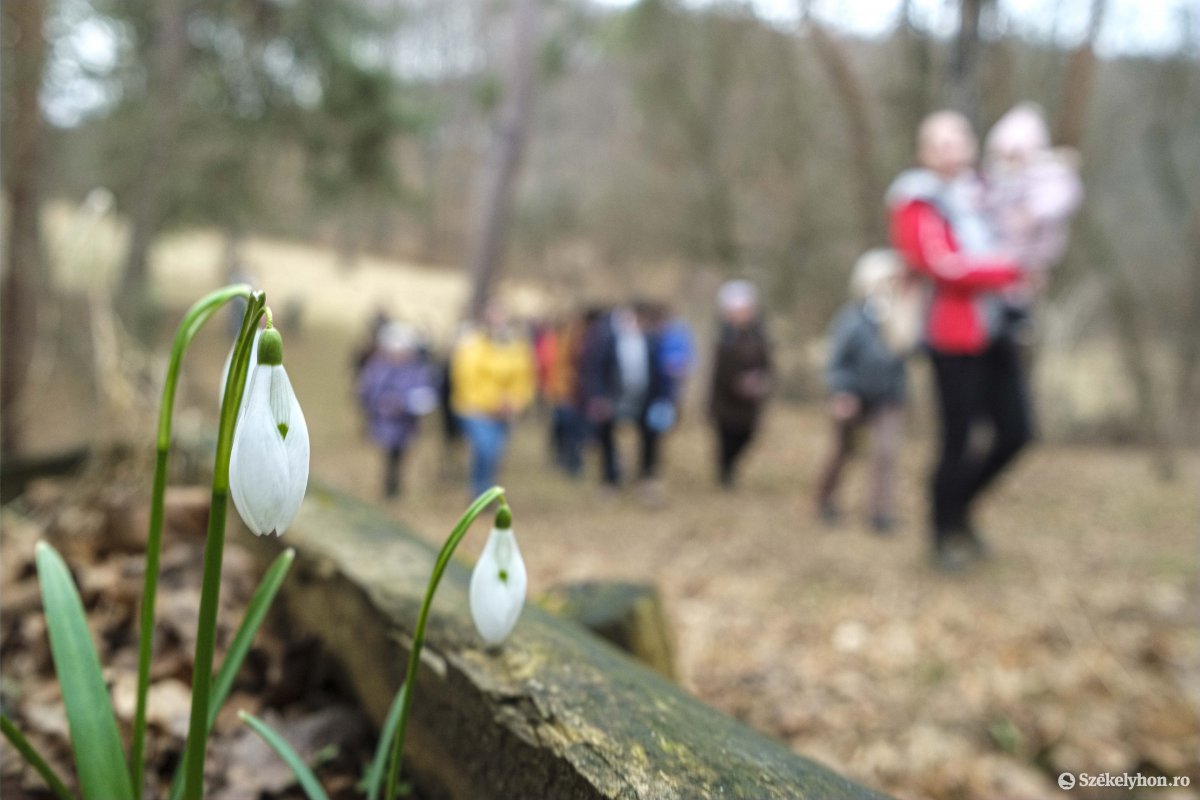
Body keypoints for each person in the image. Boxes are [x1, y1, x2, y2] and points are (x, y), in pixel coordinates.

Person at [886, 110, 1032, 571]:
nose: (950, 151)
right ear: (923, 153)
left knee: (1018, 432)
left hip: (997, 330)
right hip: (952, 337)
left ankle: (962, 509)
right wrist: (1009, 270)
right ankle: (943, 532)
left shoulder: (985, 194)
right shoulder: (915, 201)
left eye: (958, 140)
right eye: (939, 143)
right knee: (957, 440)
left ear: (972, 145)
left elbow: (1033, 219)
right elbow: (942, 265)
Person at [815, 249, 910, 534]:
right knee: (843, 451)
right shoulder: (852, 319)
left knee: (886, 453)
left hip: (888, 398)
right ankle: (825, 499)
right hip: (853, 396)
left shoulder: (900, 317)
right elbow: (835, 361)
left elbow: (903, 357)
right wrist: (842, 392)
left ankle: (880, 513)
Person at [983, 103, 1083, 344]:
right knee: (1006, 287)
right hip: (1005, 246)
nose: (1011, 161)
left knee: (1023, 288)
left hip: (1036, 248)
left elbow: (1064, 196)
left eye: (1016, 154)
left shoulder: (1049, 173)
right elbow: (989, 201)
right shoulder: (997, 176)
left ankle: (1019, 320)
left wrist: (1033, 212)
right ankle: (1004, 319)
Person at [578, 301, 673, 500]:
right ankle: (610, 481)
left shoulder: (651, 338)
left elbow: (660, 371)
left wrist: (664, 398)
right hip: (612, 398)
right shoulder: (606, 338)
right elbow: (593, 369)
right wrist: (597, 397)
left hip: (645, 398)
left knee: (649, 438)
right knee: (607, 439)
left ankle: (647, 478)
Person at [450, 301, 536, 499]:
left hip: (505, 412)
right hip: (476, 409)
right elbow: (467, 378)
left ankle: (486, 491)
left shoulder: (516, 346)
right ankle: (478, 491)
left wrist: (515, 401)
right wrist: (493, 402)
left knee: (494, 454)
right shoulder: (472, 345)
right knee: (483, 449)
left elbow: (524, 378)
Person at [357, 323, 437, 499]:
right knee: (389, 453)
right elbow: (367, 390)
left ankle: (395, 483)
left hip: (405, 423)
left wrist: (404, 403)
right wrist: (381, 404)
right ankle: (390, 484)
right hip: (384, 421)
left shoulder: (417, 370)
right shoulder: (378, 368)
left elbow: (426, 396)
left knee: (400, 453)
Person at [708, 280, 772, 488]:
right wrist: (738, 384)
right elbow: (719, 373)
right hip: (726, 402)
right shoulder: (723, 339)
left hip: (750, 403)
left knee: (747, 436)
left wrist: (761, 382)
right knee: (726, 439)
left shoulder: (759, 337)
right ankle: (725, 473)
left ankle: (730, 468)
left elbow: (767, 364)